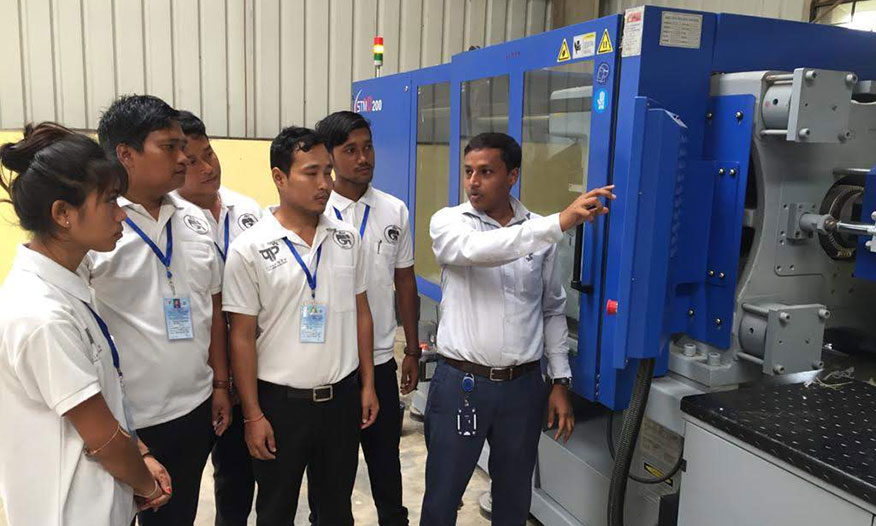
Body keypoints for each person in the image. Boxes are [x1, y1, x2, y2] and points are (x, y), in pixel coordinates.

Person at [421, 132, 616, 525]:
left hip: (522, 389)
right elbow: (481, 251)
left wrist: (559, 381)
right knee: (443, 497)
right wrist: (559, 223)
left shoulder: (541, 232)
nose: (473, 181)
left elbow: (552, 310)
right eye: (468, 171)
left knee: (513, 499)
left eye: (486, 172)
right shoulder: (449, 223)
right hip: (462, 385)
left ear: (512, 176)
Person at [0, 123, 172, 525]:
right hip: (71, 511)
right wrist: (147, 486)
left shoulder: (68, 284)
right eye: (110, 201)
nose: (121, 213)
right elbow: (103, 438)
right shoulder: (42, 314)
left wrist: (141, 453)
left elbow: (102, 402)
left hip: (100, 502)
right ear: (63, 214)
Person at [81, 95, 232, 525]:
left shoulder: (194, 220)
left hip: (195, 409)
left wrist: (220, 384)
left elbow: (212, 305)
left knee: (177, 516)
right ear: (125, 154)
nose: (184, 158)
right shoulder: (98, 228)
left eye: (183, 146)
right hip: (127, 421)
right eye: (169, 147)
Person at [224, 126, 379, 525]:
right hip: (280, 406)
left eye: (327, 171)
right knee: (275, 510)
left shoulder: (347, 238)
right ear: (279, 177)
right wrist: (253, 414)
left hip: (340, 400)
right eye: (311, 173)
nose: (324, 183)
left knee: (336, 511)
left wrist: (367, 384)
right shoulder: (250, 248)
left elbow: (362, 312)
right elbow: (241, 336)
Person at [311, 111, 419, 526]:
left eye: (368, 148)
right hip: (332, 367)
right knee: (330, 474)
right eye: (350, 150)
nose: (363, 158)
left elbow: (404, 281)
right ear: (329, 156)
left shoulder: (394, 210)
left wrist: (412, 350)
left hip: (380, 360)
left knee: (386, 463)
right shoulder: (315, 210)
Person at [173, 110, 262, 526]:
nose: (207, 167)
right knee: (179, 485)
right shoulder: (167, 221)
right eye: (192, 161)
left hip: (247, 367)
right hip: (193, 375)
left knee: (238, 477)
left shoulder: (250, 211)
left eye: (209, 153)